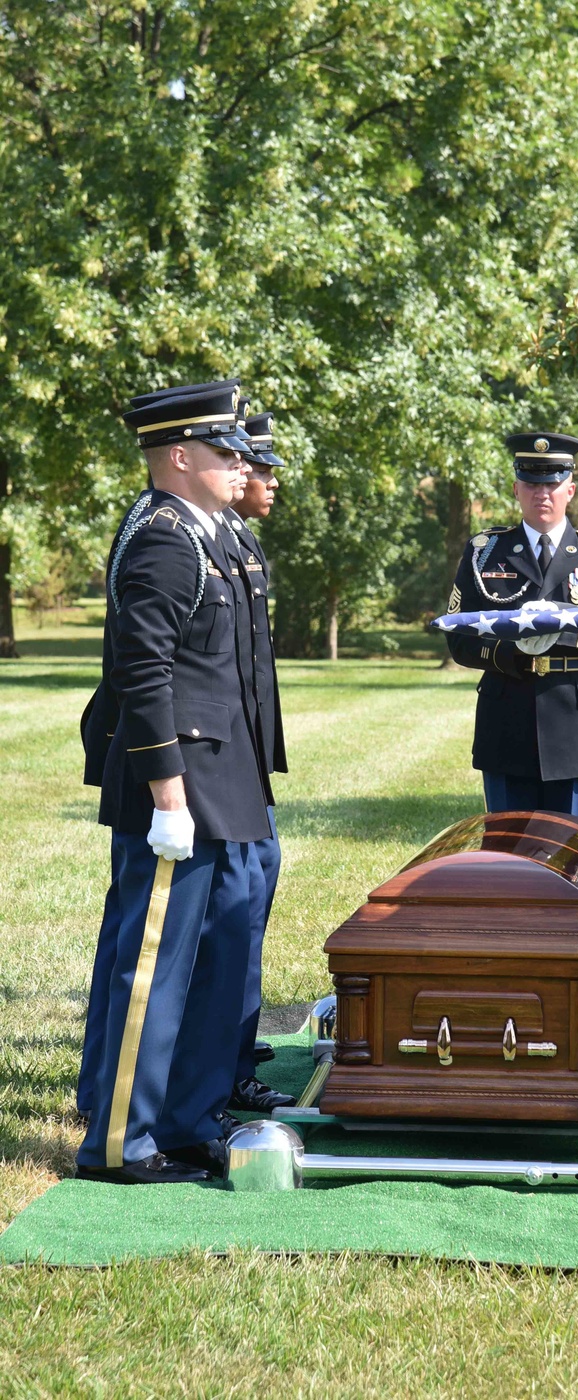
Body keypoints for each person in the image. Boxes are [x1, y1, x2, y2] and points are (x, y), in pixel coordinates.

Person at [75, 381, 275, 1184]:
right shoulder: (165, 538)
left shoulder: (205, 533)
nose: (240, 465)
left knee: (214, 954)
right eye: (224, 452)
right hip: (179, 786)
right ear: (180, 457)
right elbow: (143, 672)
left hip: (218, 781)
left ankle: (190, 1119)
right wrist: (166, 795)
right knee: (155, 966)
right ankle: (123, 1141)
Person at [446, 432, 578, 820]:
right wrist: (514, 650)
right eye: (532, 483)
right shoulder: (485, 551)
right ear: (516, 489)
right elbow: (459, 636)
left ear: (571, 489)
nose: (543, 493)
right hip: (507, 721)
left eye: (553, 482)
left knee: (574, 860)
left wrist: (558, 626)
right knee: (508, 859)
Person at [220, 410, 295, 1114]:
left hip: (244, 767)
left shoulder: (236, 540)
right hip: (217, 772)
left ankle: (233, 1048)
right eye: (256, 466)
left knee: (249, 907)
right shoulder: (194, 539)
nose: (266, 480)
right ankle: (225, 1065)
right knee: (229, 918)